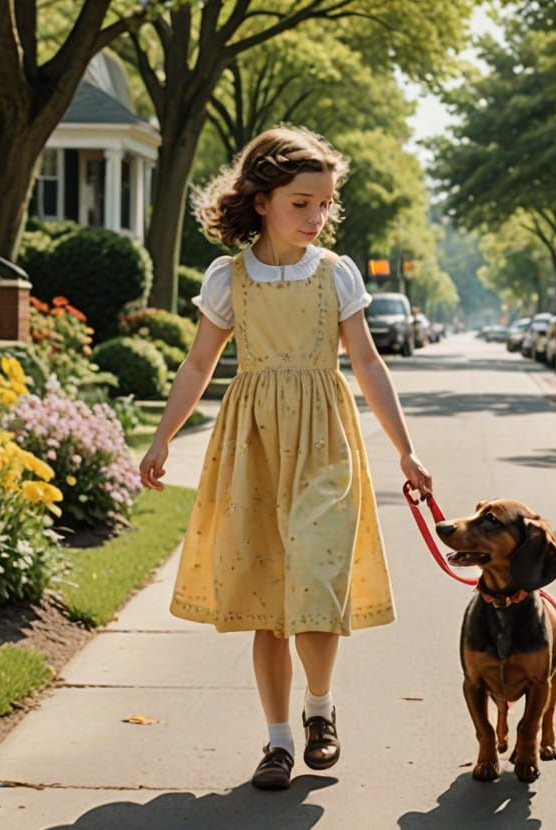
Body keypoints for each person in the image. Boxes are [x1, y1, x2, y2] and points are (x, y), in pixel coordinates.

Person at [139, 125, 432, 791]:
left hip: (325, 445)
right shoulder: (228, 278)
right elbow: (196, 364)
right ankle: (276, 744)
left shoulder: (337, 274)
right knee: (267, 595)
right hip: (254, 449)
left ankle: (320, 712)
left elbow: (366, 361)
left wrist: (406, 451)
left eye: (325, 204)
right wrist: (160, 438)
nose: (317, 217)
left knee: (317, 580)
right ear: (263, 199)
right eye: (302, 203)